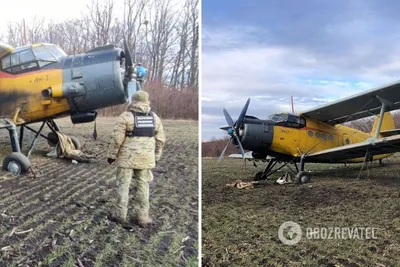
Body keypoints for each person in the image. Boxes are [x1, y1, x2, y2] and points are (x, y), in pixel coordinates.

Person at [106, 91, 166, 227]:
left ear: (133, 101)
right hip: (146, 159)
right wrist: (156, 155)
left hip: (127, 159)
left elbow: (117, 139)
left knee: (123, 186)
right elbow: (161, 139)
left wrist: (111, 155)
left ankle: (120, 215)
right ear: (147, 101)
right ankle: (143, 216)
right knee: (143, 186)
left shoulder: (125, 117)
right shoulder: (155, 118)